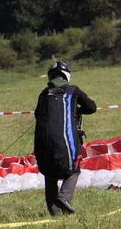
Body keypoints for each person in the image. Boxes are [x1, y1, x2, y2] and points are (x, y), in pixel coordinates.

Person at [34, 61, 96, 216]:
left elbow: (37, 114)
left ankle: (55, 213)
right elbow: (91, 107)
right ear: (66, 75)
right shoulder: (73, 90)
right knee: (73, 171)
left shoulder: (43, 93)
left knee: (50, 175)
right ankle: (64, 197)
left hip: (42, 145)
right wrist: (77, 111)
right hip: (64, 142)